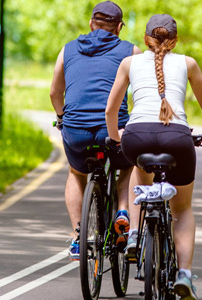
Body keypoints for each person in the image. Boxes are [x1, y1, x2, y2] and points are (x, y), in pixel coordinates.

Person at [104, 14, 202, 300]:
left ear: (146, 39)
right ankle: (184, 274)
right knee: (181, 209)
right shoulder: (188, 63)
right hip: (178, 140)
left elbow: (111, 111)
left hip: (136, 136)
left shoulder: (129, 63)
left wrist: (117, 137)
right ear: (175, 40)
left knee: (138, 172)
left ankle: (134, 235)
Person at [49, 0, 142, 261]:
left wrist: (61, 119)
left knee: (76, 173)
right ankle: (123, 211)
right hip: (113, 129)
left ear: (91, 24)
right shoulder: (130, 50)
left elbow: (55, 93)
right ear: (119, 28)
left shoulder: (67, 49)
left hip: (76, 130)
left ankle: (79, 237)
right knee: (126, 167)